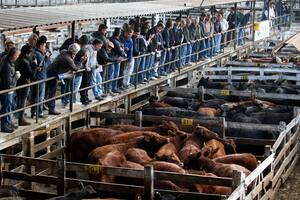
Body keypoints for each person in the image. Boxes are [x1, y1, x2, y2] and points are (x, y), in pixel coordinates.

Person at [47, 43, 83, 115]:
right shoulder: (67, 58)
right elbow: (75, 68)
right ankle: (51, 109)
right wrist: (80, 62)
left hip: (51, 72)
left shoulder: (64, 53)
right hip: (53, 74)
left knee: (47, 91)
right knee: (52, 91)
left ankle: (45, 107)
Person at [0, 47, 20, 133]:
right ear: (14, 55)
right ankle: (4, 126)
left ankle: (8, 123)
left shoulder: (6, 58)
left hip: (8, 90)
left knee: (9, 108)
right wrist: (16, 76)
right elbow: (8, 83)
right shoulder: (7, 66)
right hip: (6, 90)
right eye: (17, 55)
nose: (18, 57)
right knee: (6, 108)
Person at [15, 45, 35, 126]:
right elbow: (31, 74)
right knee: (23, 101)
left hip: (18, 83)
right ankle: (21, 119)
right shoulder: (25, 62)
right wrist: (34, 65)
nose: (30, 55)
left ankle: (20, 117)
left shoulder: (17, 60)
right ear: (27, 53)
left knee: (19, 100)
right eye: (29, 53)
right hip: (25, 83)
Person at [30, 39, 50, 118]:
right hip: (40, 77)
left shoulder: (34, 52)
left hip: (34, 77)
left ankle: (33, 112)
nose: (45, 48)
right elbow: (45, 66)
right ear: (40, 46)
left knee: (33, 96)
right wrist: (47, 58)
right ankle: (40, 112)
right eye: (44, 46)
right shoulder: (38, 54)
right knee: (40, 96)